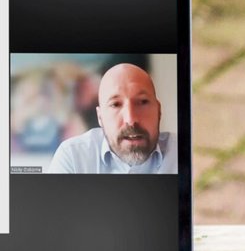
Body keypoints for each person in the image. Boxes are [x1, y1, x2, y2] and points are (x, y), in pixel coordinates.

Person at [45, 62, 174, 174]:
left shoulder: (184, 153)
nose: (130, 119)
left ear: (158, 110)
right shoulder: (73, 158)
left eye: (142, 102)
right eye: (116, 104)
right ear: (100, 117)